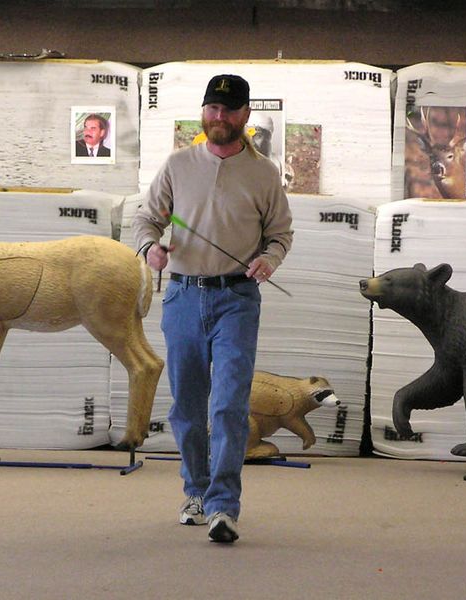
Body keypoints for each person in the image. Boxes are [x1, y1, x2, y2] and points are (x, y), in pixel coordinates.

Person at [132, 74, 293, 544]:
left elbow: (280, 234)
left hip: (237, 299)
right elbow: (146, 218)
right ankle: (195, 492)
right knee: (187, 405)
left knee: (227, 404)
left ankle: (223, 505)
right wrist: (150, 249)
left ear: (245, 115)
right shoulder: (178, 164)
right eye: (211, 109)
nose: (218, 118)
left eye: (228, 110)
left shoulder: (264, 173)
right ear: (204, 112)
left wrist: (270, 259)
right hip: (183, 295)